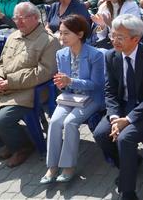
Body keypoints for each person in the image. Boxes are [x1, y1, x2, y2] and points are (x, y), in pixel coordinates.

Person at [0, 2, 60, 167]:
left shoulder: (49, 41)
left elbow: (44, 72)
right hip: (3, 88)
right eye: (16, 18)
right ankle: (6, 143)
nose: (18, 22)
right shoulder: (14, 36)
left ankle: (23, 147)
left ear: (35, 17)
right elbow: (0, 63)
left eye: (23, 18)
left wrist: (11, 82)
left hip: (30, 92)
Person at [93, 14, 143, 200]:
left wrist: (128, 119)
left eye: (120, 37)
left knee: (125, 138)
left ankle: (128, 192)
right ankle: (129, 163)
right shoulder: (111, 56)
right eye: (112, 35)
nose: (114, 41)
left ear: (136, 39)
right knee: (101, 134)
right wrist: (113, 117)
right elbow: (109, 91)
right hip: (121, 107)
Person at [40, 14, 105, 184]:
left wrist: (71, 81)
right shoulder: (61, 54)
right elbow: (65, 83)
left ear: (80, 34)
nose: (62, 37)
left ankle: (68, 166)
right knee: (54, 122)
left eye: (66, 33)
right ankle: (52, 166)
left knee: (70, 122)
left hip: (91, 98)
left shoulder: (95, 55)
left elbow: (97, 85)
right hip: (70, 97)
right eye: (60, 33)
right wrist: (61, 84)